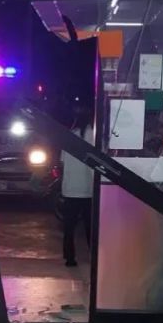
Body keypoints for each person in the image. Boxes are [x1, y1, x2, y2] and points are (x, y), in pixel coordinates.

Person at [60, 106, 94, 267]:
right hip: (88, 190)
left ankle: (69, 257)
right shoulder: (93, 136)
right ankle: (94, 256)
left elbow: (62, 161)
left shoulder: (69, 136)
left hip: (70, 190)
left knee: (69, 227)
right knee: (90, 227)